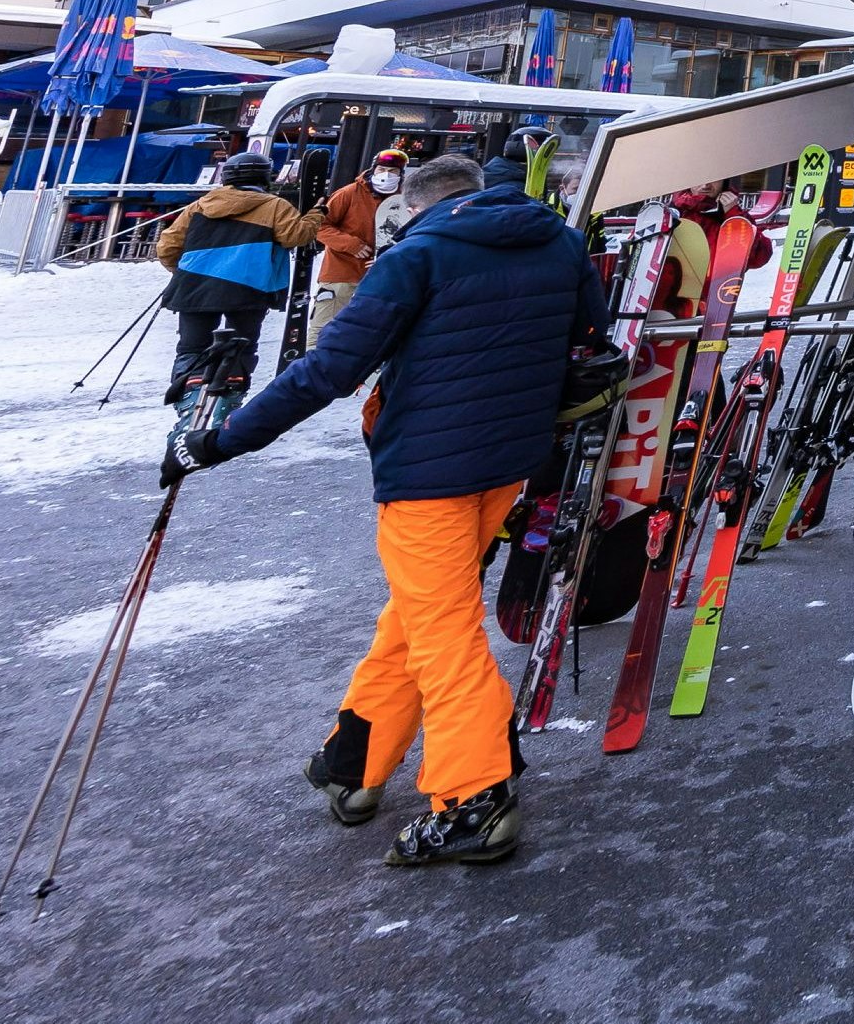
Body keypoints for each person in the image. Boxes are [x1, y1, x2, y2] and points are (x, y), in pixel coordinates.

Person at [162, 155, 609, 865]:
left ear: (418, 206)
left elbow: (326, 370)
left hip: (429, 472)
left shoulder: (419, 256)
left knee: (442, 634)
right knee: (418, 613)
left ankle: (474, 798)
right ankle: (357, 761)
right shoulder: (558, 238)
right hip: (510, 463)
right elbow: (592, 329)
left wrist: (217, 441)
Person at [154, 151, 323, 405]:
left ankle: (188, 400)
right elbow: (295, 236)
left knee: (191, 347)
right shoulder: (274, 205)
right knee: (242, 344)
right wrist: (317, 214)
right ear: (265, 177)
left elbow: (167, 246)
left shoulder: (199, 205)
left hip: (194, 287)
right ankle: (229, 397)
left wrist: (184, 273)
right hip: (249, 289)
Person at [309, 148, 406, 341]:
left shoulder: (405, 198)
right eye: (381, 169)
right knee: (325, 329)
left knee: (372, 332)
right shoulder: (349, 193)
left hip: (383, 276)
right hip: (342, 273)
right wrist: (351, 244)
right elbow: (317, 225)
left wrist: (390, 256)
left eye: (393, 171)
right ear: (373, 169)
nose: (386, 175)